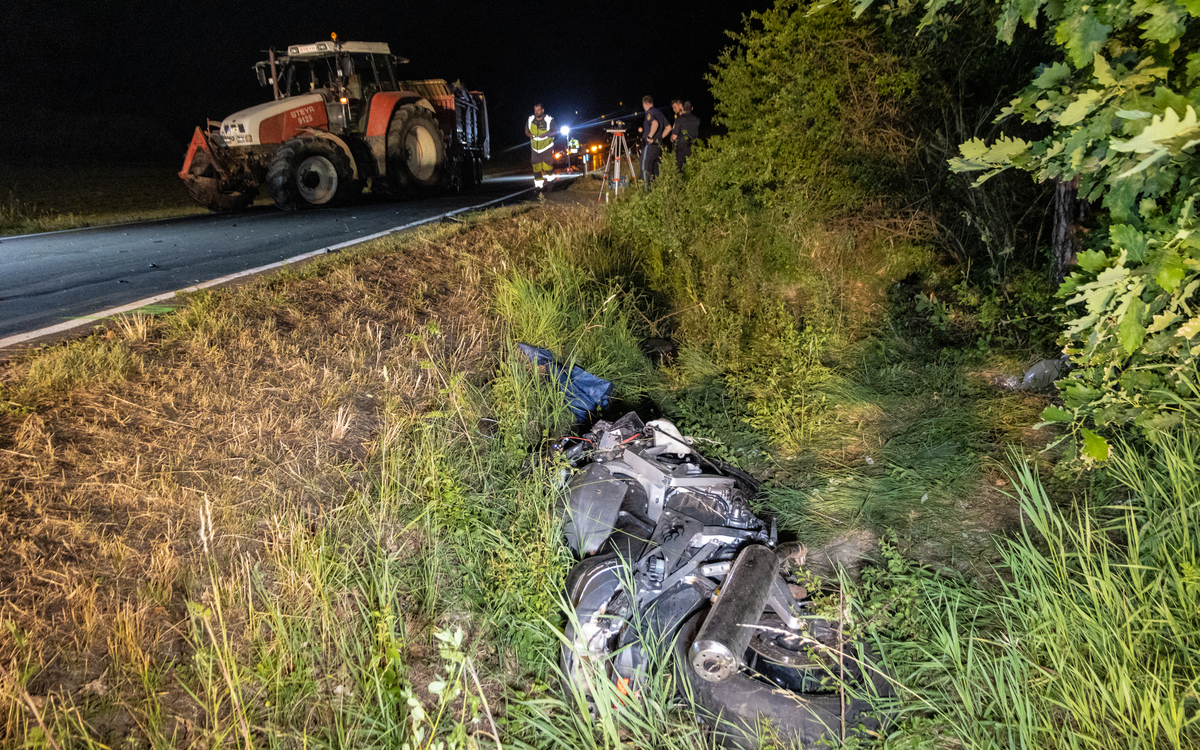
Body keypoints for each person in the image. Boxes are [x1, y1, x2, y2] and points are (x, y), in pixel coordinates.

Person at [637, 95, 667, 187]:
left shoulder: (649, 113)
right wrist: (659, 138)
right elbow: (668, 127)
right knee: (655, 171)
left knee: (645, 169)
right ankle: (656, 193)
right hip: (658, 147)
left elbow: (655, 123)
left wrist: (650, 136)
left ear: (644, 104)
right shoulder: (659, 113)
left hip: (649, 146)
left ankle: (646, 195)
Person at [525, 103, 555, 189]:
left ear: (542, 110)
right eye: (535, 110)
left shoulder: (549, 119)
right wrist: (529, 135)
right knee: (536, 165)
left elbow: (555, 131)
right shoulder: (530, 119)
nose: (536, 112)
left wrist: (546, 135)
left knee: (547, 164)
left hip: (546, 146)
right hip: (535, 147)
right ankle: (538, 186)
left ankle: (550, 181)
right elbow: (526, 130)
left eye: (538, 110)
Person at [667, 100, 700, 172]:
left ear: (682, 107)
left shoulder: (679, 120)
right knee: (692, 168)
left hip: (681, 149)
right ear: (692, 108)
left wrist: (671, 138)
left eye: (675, 107)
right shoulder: (697, 119)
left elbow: (674, 136)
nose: (673, 110)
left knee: (680, 170)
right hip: (694, 147)